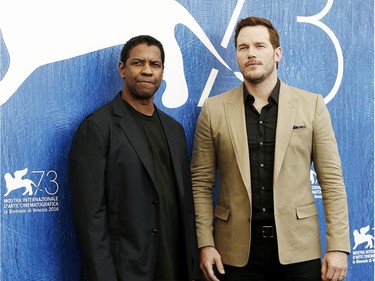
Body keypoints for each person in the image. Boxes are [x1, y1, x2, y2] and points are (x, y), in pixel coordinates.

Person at [191, 16, 350, 281]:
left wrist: (338, 246)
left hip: (298, 250)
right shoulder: (214, 109)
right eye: (243, 48)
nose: (251, 53)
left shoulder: (311, 106)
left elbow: (331, 181)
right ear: (237, 56)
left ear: (277, 54)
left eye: (259, 46)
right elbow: (201, 183)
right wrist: (205, 243)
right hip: (234, 253)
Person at [69, 35, 200, 281]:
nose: (147, 71)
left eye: (155, 64)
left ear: (162, 71)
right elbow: (90, 219)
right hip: (127, 271)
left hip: (176, 267)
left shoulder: (175, 130)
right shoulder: (97, 128)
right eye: (138, 63)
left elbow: (185, 207)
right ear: (122, 69)